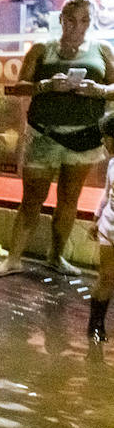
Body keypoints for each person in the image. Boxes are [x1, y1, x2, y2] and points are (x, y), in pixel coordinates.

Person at [0, 0, 111, 279]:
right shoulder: (42, 48)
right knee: (31, 199)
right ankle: (13, 259)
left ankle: (56, 257)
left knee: (69, 200)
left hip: (84, 138)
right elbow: (19, 87)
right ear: (62, 19)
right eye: (72, 20)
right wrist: (48, 86)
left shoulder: (103, 50)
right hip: (44, 135)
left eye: (85, 21)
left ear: (91, 22)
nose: (78, 27)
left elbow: (113, 89)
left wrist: (97, 90)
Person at [87, 113, 114, 342]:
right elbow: (106, 194)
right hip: (110, 227)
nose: (104, 142)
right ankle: (95, 326)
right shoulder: (112, 163)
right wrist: (96, 219)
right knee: (106, 276)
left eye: (107, 137)